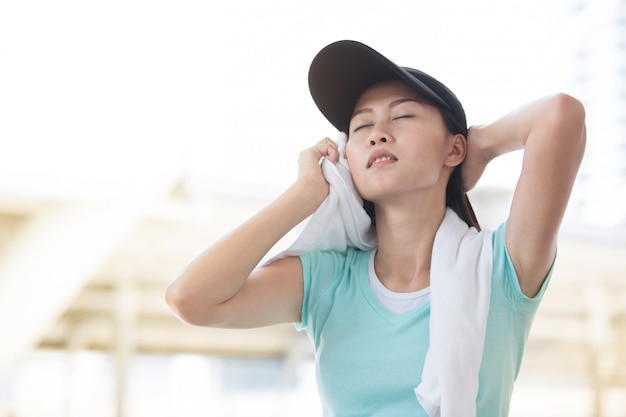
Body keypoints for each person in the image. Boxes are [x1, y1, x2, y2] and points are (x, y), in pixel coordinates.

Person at [165, 40, 586, 416]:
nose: (378, 134)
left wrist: (481, 146)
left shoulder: (499, 269)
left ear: (453, 148)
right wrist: (305, 193)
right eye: (361, 126)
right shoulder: (329, 279)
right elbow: (190, 299)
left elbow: (560, 115)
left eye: (402, 116)